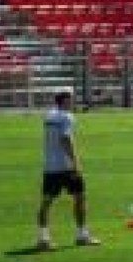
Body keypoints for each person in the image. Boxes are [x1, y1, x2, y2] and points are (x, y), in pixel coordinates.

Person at [36, 89, 99, 249]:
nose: (73, 102)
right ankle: (82, 235)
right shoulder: (67, 117)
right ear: (64, 100)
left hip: (50, 166)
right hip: (66, 167)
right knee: (80, 198)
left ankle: (43, 238)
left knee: (46, 202)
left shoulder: (49, 115)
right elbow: (66, 139)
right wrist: (76, 162)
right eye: (71, 99)